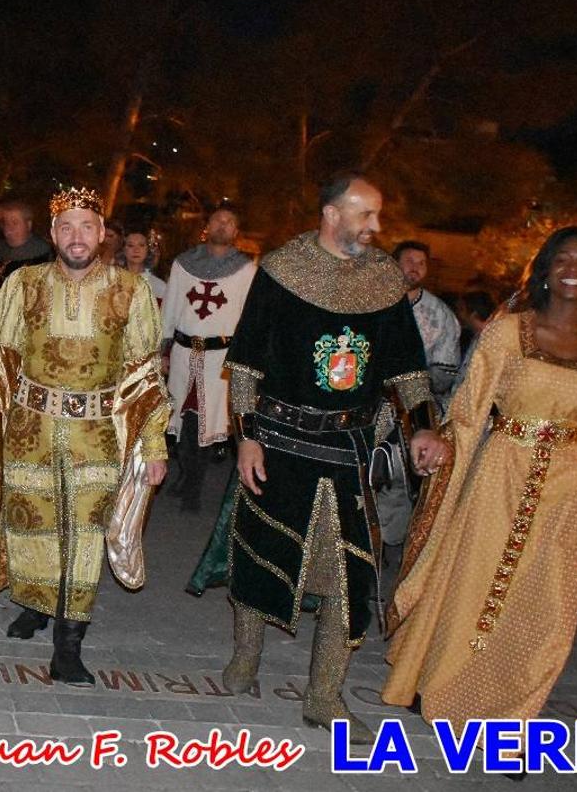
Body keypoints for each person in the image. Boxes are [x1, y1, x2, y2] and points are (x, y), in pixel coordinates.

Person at [382, 227, 577, 734]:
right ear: (545, 268)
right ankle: (441, 683)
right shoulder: (508, 332)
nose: (574, 269)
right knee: (473, 586)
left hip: (569, 494)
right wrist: (442, 443)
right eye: (564, 259)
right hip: (500, 476)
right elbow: (470, 411)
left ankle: (510, 719)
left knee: (544, 609)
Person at [222, 174, 445, 741]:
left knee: (349, 572)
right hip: (279, 440)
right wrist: (246, 436)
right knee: (260, 549)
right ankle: (245, 660)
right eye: (365, 214)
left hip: (348, 447)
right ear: (331, 213)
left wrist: (424, 429)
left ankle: (324, 698)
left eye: (377, 216)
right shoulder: (280, 270)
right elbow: (246, 364)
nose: (375, 227)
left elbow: (409, 370)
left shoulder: (384, 280)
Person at [0, 186, 169, 686]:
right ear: (53, 233)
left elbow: (144, 371)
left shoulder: (132, 290)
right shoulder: (24, 283)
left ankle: (69, 643)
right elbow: (1, 362)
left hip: (97, 435)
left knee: (84, 536)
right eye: (66, 226)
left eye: (87, 226)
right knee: (31, 526)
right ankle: (36, 605)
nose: (76, 236)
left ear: (102, 234)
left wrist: (152, 443)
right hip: (29, 428)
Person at [161, 202, 256, 512]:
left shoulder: (246, 269)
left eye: (229, 222)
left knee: (205, 422)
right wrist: (161, 348)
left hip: (219, 359)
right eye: (217, 220)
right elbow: (171, 307)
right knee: (184, 419)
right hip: (184, 352)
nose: (222, 226)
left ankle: (194, 487)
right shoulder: (183, 264)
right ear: (208, 226)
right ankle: (187, 476)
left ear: (236, 231)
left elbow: (248, 318)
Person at [393, 240, 461, 413]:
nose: (415, 267)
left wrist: (410, 386)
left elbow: (446, 371)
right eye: (410, 261)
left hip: (414, 408)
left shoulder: (441, 314)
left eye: (421, 263)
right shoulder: (371, 303)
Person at [0, 199, 53, 294]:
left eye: (15, 223)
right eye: (6, 223)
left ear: (28, 225)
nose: (9, 229)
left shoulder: (44, 256)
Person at [122, 227, 166, 307]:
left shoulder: (159, 286)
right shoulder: (113, 282)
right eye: (131, 245)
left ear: (147, 250)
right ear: (124, 250)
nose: (136, 250)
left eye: (141, 245)